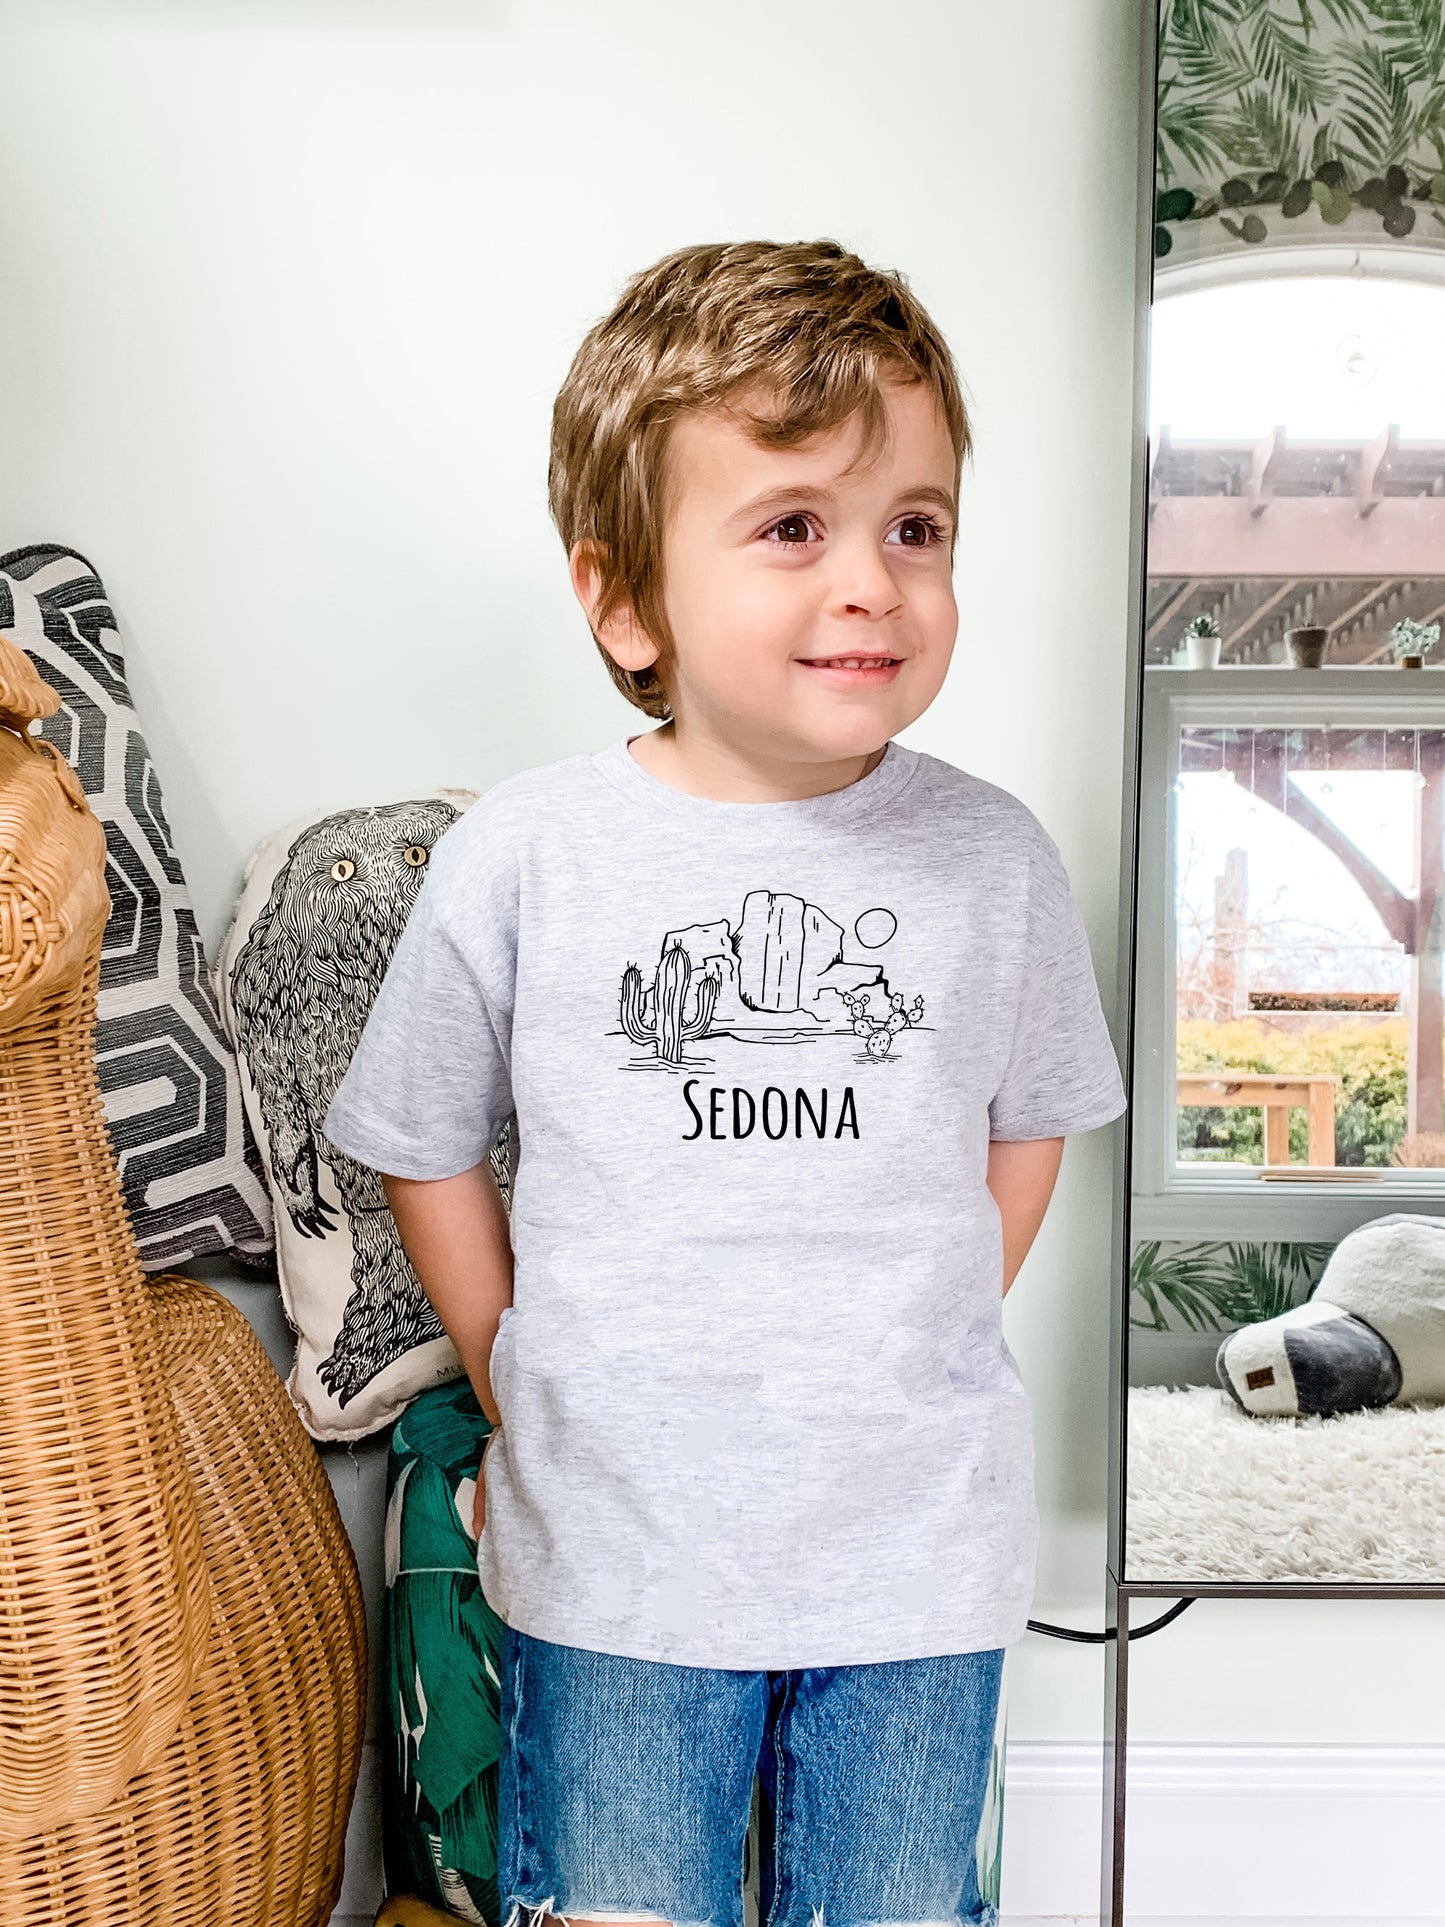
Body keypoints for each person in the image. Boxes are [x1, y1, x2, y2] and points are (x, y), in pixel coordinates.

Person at [324, 238, 1127, 1927]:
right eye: (791, 528)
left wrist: (923, 1302)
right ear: (623, 599)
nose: (873, 584)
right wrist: (507, 1355)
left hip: (912, 1557)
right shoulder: (530, 851)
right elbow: (417, 1136)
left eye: (914, 526)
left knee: (899, 1911)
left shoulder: (992, 859)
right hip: (614, 1548)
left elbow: (1031, 1114)